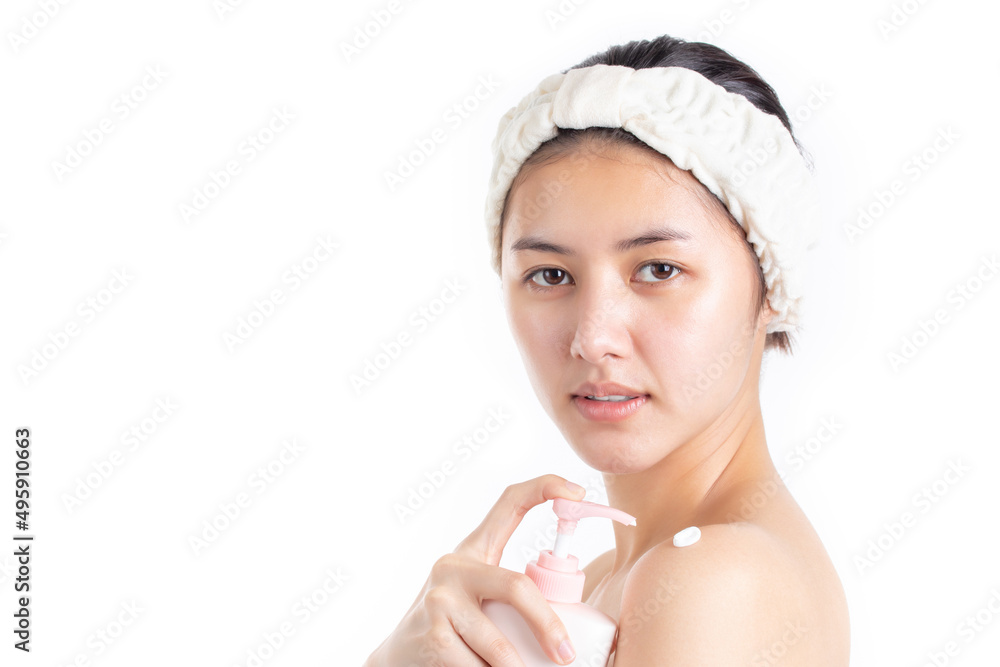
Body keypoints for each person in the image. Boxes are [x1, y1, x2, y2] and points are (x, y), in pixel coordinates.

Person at [365, 33, 850, 666]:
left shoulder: (708, 578)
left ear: (771, 285)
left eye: (658, 270)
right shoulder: (605, 578)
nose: (592, 338)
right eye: (551, 275)